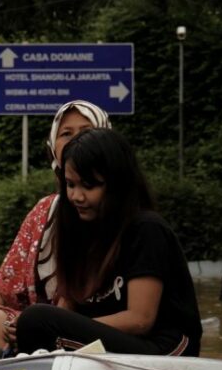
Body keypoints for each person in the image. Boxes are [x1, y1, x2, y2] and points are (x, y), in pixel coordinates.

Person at [13, 128, 202, 356]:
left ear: (117, 184)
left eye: (89, 186)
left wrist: (65, 327)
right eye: (71, 185)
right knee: (6, 342)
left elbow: (140, 320)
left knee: (36, 319)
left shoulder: (147, 229)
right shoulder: (80, 228)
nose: (76, 197)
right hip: (105, 345)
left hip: (162, 351)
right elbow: (66, 307)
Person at [0, 100, 109, 356]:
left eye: (86, 131)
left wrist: (39, 325)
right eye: (66, 134)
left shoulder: (114, 211)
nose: (75, 141)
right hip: (33, 324)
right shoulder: (44, 211)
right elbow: (4, 282)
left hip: (89, 329)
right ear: (53, 147)